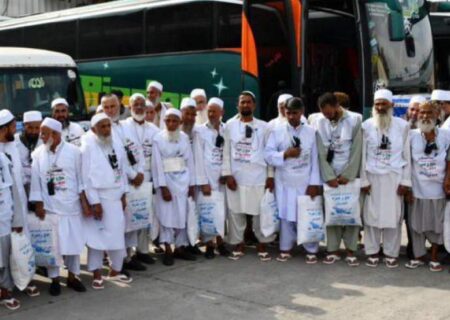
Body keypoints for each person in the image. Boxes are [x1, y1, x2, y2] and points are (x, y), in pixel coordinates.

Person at [29, 118, 87, 296]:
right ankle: (54, 279)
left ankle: (72, 277)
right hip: (50, 207)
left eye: (44, 133)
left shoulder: (74, 152)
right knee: (54, 245)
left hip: (71, 207)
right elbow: (36, 182)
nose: (41, 136)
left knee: (73, 244)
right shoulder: (38, 154)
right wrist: (38, 204)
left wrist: (84, 202)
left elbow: (81, 179)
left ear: (55, 134)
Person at [265, 97, 321, 263]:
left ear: (302, 112)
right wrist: (285, 154)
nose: (291, 116)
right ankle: (285, 248)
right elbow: (267, 155)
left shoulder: (311, 132)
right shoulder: (277, 131)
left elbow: (315, 160)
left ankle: (311, 249)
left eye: (294, 113)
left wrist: (314, 184)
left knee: (306, 214)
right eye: (288, 113)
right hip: (284, 181)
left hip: (305, 181)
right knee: (286, 215)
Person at [360, 89, 411, 268]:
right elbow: (363, 156)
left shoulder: (403, 126)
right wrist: (363, 180)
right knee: (371, 216)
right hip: (372, 177)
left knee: (393, 216)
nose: (380, 107)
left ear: (392, 105)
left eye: (384, 104)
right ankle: (372, 251)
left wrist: (406, 181)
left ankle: (391, 252)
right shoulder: (366, 126)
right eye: (377, 104)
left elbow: (407, 155)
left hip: (394, 178)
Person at [222, 91, 276, 261]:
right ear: (237, 106)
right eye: (242, 102)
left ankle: (262, 242)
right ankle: (239, 243)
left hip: (258, 177)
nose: (245, 105)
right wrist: (228, 174)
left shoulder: (265, 127)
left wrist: (270, 175)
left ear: (254, 105)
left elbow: (269, 153)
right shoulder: (229, 126)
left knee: (260, 211)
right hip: (237, 177)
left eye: (248, 102)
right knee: (235, 211)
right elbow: (225, 153)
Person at [81, 113, 132, 289]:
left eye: (108, 126)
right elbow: (86, 178)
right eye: (102, 126)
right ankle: (96, 274)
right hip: (99, 199)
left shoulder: (115, 143)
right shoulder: (87, 147)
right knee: (97, 239)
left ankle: (115, 270)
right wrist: (94, 202)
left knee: (118, 236)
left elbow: (122, 170)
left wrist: (124, 194)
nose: (106, 130)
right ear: (94, 129)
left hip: (116, 197)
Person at [314, 93, 362, 266]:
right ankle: (332, 250)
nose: (328, 117)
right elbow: (320, 151)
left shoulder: (356, 119)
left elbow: (357, 149)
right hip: (330, 176)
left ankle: (351, 250)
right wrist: (329, 176)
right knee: (332, 213)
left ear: (337, 106)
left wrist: (348, 175)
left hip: (349, 175)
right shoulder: (319, 121)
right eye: (324, 114)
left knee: (350, 212)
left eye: (330, 113)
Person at [406, 101, 450, 272]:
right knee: (415, 225)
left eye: (429, 113)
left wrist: (448, 178)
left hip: (438, 190)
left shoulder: (446, 135)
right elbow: (407, 163)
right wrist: (407, 187)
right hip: (417, 189)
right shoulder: (411, 136)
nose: (425, 116)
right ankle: (418, 257)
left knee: (437, 225)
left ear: (437, 115)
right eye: (422, 113)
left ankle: (433, 258)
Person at [152, 108, 197, 266]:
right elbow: (156, 165)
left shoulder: (184, 138)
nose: (171, 124)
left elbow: (190, 161)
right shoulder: (158, 139)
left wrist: (192, 184)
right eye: (168, 121)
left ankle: (180, 247)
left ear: (180, 123)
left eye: (174, 121)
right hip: (167, 183)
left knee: (182, 216)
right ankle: (167, 249)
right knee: (167, 217)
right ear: (164, 121)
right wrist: (163, 187)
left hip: (183, 182)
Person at [119, 93, 160, 267]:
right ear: (129, 107)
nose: (139, 107)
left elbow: (157, 159)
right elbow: (120, 156)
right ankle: (127, 257)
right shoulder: (122, 127)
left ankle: (143, 251)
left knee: (144, 215)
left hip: (147, 178)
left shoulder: (154, 130)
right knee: (129, 218)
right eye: (135, 104)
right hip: (129, 179)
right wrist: (132, 175)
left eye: (142, 104)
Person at [193, 97, 230, 258]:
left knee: (222, 211)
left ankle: (221, 242)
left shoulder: (227, 129)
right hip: (207, 179)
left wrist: (226, 173)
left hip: (222, 178)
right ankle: (209, 244)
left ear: (222, 112)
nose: (211, 114)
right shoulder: (200, 131)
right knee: (207, 212)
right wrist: (203, 182)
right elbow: (198, 158)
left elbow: (229, 154)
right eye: (209, 111)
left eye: (215, 111)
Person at [0, 110, 25, 311]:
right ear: (5, 128)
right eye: (13, 125)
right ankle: (5, 291)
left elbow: (14, 189)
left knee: (7, 256)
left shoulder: (10, 149)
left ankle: (8, 289)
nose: (15, 129)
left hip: (7, 215)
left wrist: (17, 218)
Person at [15, 111, 43, 193]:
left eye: (37, 128)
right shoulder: (14, 142)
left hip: (41, 188)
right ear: (24, 126)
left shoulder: (44, 141)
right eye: (30, 128)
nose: (34, 132)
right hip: (21, 189)